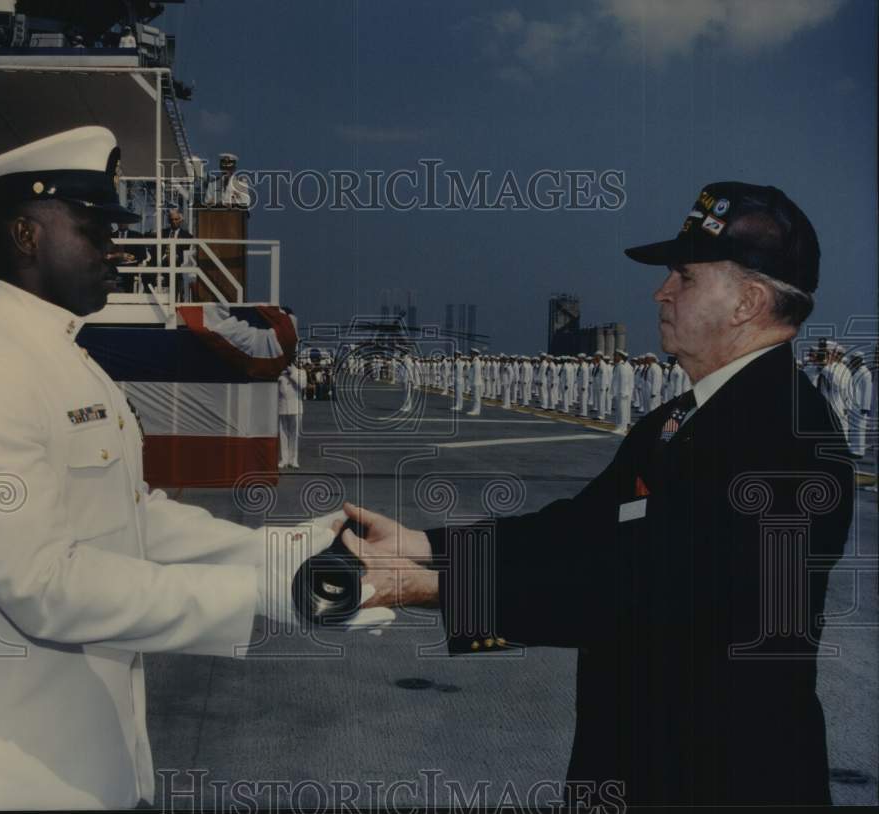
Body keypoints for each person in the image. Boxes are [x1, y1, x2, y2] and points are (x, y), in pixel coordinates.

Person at [337, 182, 855, 807]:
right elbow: (578, 529)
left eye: (684, 277)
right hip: (634, 761)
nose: (661, 291)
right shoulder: (674, 420)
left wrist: (434, 587)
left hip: (726, 773)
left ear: (748, 301)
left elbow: (649, 593)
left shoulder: (786, 441)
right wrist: (424, 545)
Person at [0, 127, 341, 811]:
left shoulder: (66, 359)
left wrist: (283, 551)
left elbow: (131, 519)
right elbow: (42, 584)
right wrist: (259, 595)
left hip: (84, 763)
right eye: (93, 227)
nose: (115, 247)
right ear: (24, 234)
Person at [277, 363, 303, 468]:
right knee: (283, 435)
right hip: (282, 407)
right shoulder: (280, 375)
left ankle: (294, 459)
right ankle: (284, 459)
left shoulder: (301, 372)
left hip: (296, 408)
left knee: (294, 435)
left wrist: (292, 372)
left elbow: (303, 384)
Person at [848, 350, 872, 457]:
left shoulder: (865, 372)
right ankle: (854, 449)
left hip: (861, 406)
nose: (852, 362)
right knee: (854, 429)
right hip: (854, 405)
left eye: (853, 359)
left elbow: (868, 390)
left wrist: (865, 407)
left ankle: (859, 451)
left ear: (859, 360)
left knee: (859, 429)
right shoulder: (855, 371)